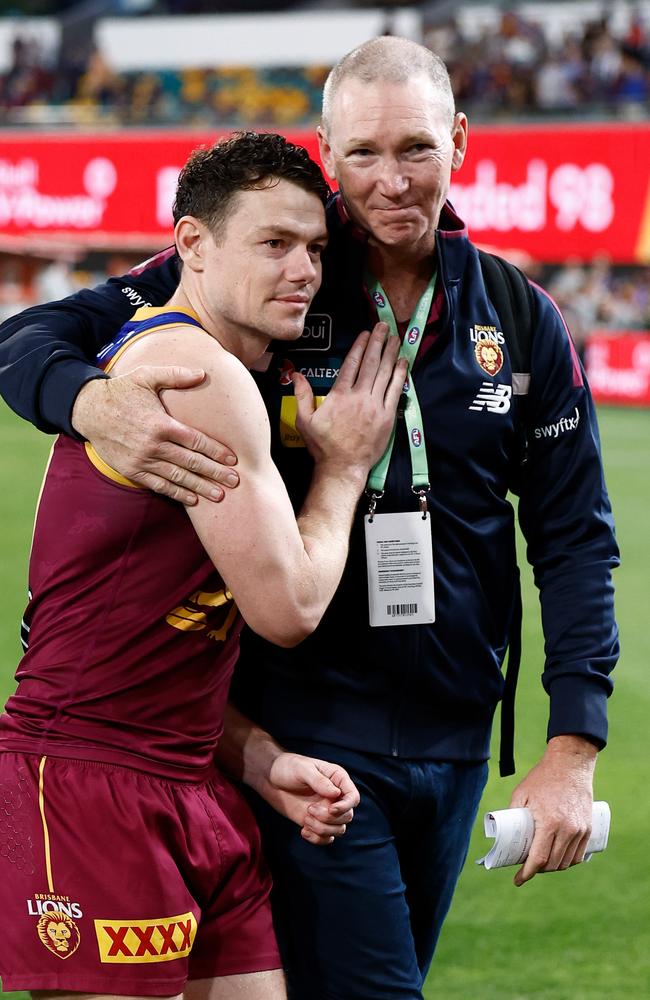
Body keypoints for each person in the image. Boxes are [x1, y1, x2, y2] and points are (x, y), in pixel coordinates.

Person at [0, 37, 619, 1000]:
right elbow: (29, 336)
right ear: (327, 150)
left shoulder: (520, 313)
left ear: (458, 141)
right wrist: (88, 402)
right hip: (305, 728)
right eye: (363, 153)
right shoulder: (275, 266)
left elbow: (575, 535)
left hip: (455, 740)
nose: (391, 179)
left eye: (415, 148)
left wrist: (572, 748)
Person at [0, 131, 406, 999]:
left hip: (191, 777)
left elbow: (155, 631)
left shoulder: (214, 368)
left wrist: (253, 759)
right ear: (191, 244)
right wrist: (342, 468)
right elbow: (288, 609)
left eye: (315, 247)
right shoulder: (194, 370)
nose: (303, 269)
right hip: (90, 783)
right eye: (273, 243)